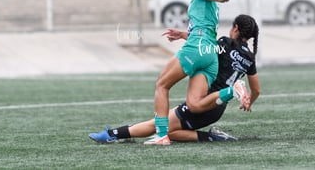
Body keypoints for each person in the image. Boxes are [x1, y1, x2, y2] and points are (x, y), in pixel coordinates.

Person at [89, 14, 260, 144]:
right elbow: (257, 90)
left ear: (235, 28)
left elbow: (204, 44)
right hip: (216, 107)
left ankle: (111, 135)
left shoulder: (226, 43)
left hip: (204, 101)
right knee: (167, 130)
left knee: (158, 126)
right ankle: (212, 136)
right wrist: (248, 101)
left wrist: (182, 35)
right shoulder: (250, 58)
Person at [146, 0, 238, 145]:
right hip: (210, 53)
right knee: (194, 102)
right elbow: (206, 24)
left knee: (161, 85)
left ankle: (162, 135)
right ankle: (231, 91)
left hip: (196, 49)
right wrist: (182, 34)